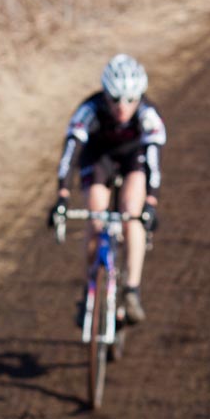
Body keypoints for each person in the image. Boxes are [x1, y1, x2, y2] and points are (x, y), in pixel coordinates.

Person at [47, 53, 166, 326]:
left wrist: (151, 204)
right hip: (98, 159)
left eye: (130, 100)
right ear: (105, 95)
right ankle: (88, 293)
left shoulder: (149, 116)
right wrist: (62, 197)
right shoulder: (88, 111)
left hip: (131, 159)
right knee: (95, 217)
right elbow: (69, 156)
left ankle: (132, 290)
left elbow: (154, 164)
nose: (122, 107)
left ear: (140, 97)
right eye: (115, 99)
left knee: (131, 214)